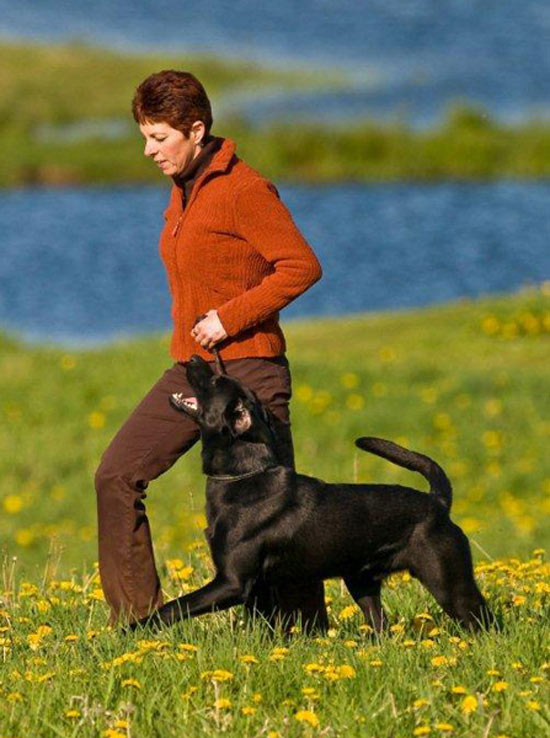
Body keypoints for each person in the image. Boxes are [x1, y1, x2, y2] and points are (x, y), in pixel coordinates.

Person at [95, 69, 328, 631]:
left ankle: (297, 633)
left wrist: (230, 317)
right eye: (145, 137)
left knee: (275, 511)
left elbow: (301, 266)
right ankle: (137, 623)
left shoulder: (244, 189)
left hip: (251, 370)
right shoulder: (184, 190)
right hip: (194, 375)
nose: (149, 150)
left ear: (196, 130)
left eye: (159, 137)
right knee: (117, 474)